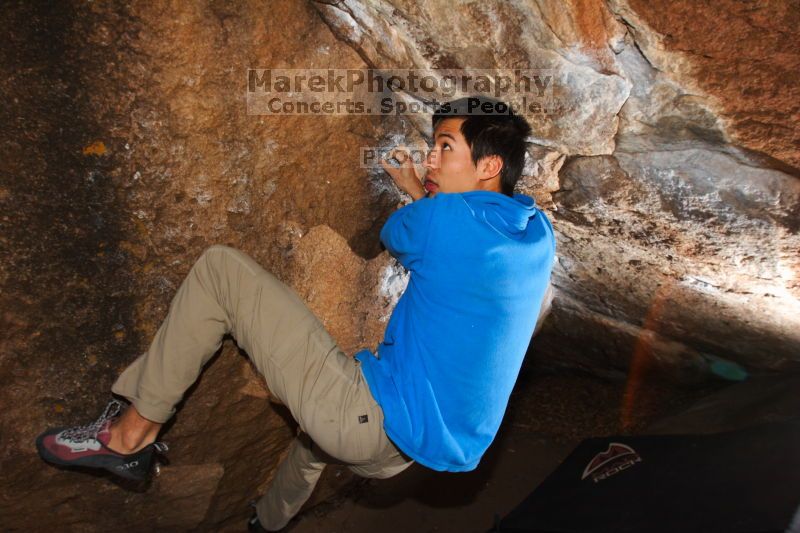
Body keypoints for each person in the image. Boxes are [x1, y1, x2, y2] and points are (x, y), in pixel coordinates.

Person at [36, 95, 555, 532]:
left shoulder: (441, 222)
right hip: (408, 452)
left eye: (445, 148)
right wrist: (437, 196)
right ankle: (268, 521)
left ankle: (129, 438)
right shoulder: (537, 236)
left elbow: (398, 234)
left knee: (221, 271)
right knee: (315, 442)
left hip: (367, 420)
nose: (429, 161)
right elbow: (463, 244)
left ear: (490, 166)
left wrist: (423, 196)